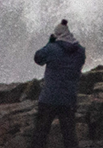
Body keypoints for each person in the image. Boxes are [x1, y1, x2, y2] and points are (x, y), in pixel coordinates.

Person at [31, 19, 86, 148]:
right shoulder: (80, 52)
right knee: (69, 136)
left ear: (57, 35)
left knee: (40, 134)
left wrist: (49, 43)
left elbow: (38, 59)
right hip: (68, 98)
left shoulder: (51, 48)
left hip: (49, 98)